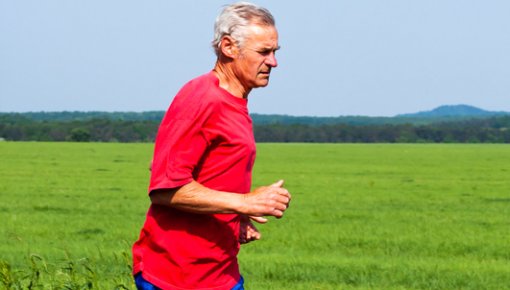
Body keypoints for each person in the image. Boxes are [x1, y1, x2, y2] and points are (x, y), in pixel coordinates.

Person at [132, 2, 291, 289]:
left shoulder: (235, 100)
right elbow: (165, 189)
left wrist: (237, 216)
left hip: (220, 272)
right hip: (175, 276)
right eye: (263, 52)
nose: (273, 62)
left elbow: (207, 174)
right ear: (229, 47)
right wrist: (245, 202)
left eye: (275, 52)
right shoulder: (201, 97)